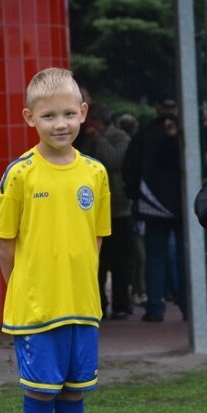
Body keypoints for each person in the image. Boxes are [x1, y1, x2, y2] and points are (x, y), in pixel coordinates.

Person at [0, 68, 110, 413]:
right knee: (41, 395)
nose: (60, 123)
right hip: (36, 310)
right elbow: (4, 244)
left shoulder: (96, 173)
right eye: (48, 116)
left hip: (82, 308)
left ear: (82, 113)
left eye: (68, 113)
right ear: (30, 118)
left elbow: (96, 239)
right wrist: (23, 289)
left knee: (75, 395)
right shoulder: (20, 174)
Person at [123, 98, 186, 322]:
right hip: (182, 204)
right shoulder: (186, 132)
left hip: (152, 205)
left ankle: (155, 307)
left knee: (154, 258)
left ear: (157, 108)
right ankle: (189, 307)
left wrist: (134, 193)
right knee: (184, 256)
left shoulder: (145, 135)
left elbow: (130, 165)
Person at [79, 102, 132, 319]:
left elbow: (115, 160)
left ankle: (121, 304)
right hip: (93, 210)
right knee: (97, 262)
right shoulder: (88, 141)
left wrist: (98, 139)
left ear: (99, 123)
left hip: (118, 208)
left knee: (120, 262)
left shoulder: (119, 137)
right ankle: (98, 303)